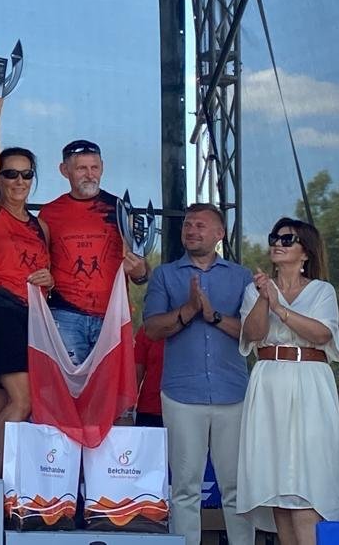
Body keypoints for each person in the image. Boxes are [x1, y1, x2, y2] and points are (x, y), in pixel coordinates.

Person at [143, 203, 252, 545]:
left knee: (237, 487)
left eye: (200, 225)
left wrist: (213, 316)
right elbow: (152, 329)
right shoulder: (165, 275)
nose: (191, 231)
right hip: (182, 395)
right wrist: (188, 310)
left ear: (220, 234)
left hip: (233, 393)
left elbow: (254, 333)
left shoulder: (241, 277)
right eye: (187, 225)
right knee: (185, 487)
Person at [237, 218, 339, 545]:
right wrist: (263, 298)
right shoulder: (255, 290)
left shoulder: (322, 291)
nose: (277, 244)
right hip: (269, 382)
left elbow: (322, 333)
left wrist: (280, 308)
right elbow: (252, 334)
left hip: (309, 381)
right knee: (276, 488)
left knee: (307, 484)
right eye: (275, 238)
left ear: (305, 252)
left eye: (287, 239)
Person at [0, 93, 52, 478]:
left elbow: (48, 273)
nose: (19, 181)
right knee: (23, 400)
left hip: (29, 317)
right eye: (10, 174)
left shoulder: (40, 226)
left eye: (26, 174)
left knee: (2, 404)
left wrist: (50, 279)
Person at [40, 140, 147, 365]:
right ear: (64, 170)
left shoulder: (119, 209)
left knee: (110, 385)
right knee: (69, 384)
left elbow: (140, 268)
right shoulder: (49, 213)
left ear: (102, 168)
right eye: (81, 168)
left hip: (112, 313)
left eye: (94, 167)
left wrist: (139, 271)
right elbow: (40, 263)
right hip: (65, 314)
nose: (90, 175)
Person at [132, 325, 165, 427]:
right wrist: (126, 413)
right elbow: (135, 375)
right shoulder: (149, 329)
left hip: (191, 408)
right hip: (151, 409)